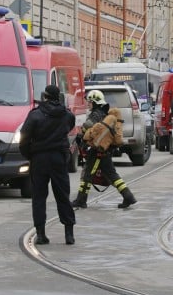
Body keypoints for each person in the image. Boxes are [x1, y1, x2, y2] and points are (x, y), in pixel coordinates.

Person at [19, 84, 77, 245]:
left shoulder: (35, 115)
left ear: (45, 96)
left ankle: (41, 233)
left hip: (39, 159)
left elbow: (24, 137)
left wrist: (29, 154)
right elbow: (70, 127)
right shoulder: (66, 115)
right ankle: (69, 233)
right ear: (59, 97)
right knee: (63, 196)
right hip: (59, 157)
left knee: (38, 197)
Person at [71, 89, 137, 209]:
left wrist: (82, 136)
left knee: (87, 175)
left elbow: (90, 130)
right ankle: (128, 196)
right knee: (112, 175)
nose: (88, 104)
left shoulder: (96, 114)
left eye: (90, 102)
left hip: (97, 151)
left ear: (96, 102)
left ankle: (81, 200)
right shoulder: (104, 113)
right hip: (104, 151)